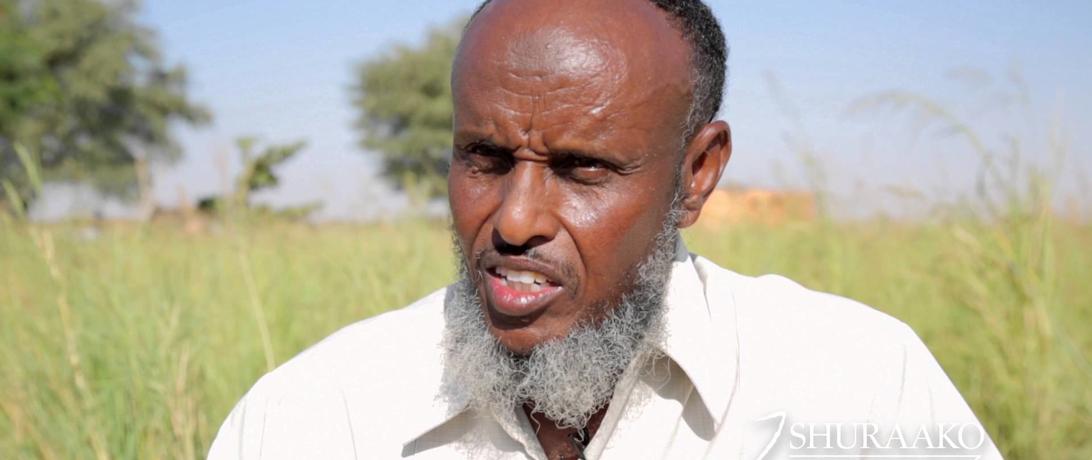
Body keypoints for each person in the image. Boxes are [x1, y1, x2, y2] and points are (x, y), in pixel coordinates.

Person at [209, 0, 1001, 458]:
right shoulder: (315, 419)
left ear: (696, 175)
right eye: (483, 158)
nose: (513, 220)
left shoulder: (860, 387)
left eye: (583, 169)